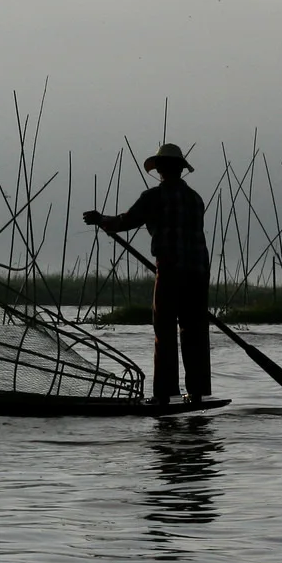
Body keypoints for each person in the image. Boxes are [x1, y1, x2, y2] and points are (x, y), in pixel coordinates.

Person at [84, 142, 210, 404]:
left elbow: (126, 221)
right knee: (193, 331)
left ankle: (164, 394)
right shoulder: (195, 199)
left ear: (162, 169)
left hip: (171, 269)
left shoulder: (154, 197)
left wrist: (100, 220)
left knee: (164, 330)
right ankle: (196, 393)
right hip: (198, 273)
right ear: (180, 169)